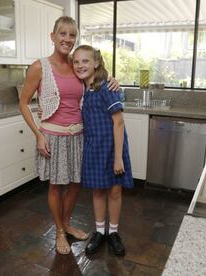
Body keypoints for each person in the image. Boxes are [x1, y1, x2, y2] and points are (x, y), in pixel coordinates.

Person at [19, 16, 119, 255]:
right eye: (62, 34)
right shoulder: (39, 67)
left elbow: (96, 78)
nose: (67, 39)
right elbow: (23, 103)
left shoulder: (76, 66)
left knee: (75, 186)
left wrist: (112, 80)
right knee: (56, 188)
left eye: (72, 35)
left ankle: (66, 224)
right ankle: (60, 232)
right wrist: (38, 135)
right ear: (52, 37)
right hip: (52, 137)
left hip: (78, 136)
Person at [72, 45, 133, 256]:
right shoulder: (81, 89)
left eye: (85, 61)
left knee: (115, 190)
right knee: (97, 190)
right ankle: (99, 232)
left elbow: (119, 123)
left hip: (113, 148)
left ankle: (113, 233)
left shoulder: (106, 87)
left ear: (96, 63)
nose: (80, 65)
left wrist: (118, 158)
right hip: (93, 147)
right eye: (76, 62)